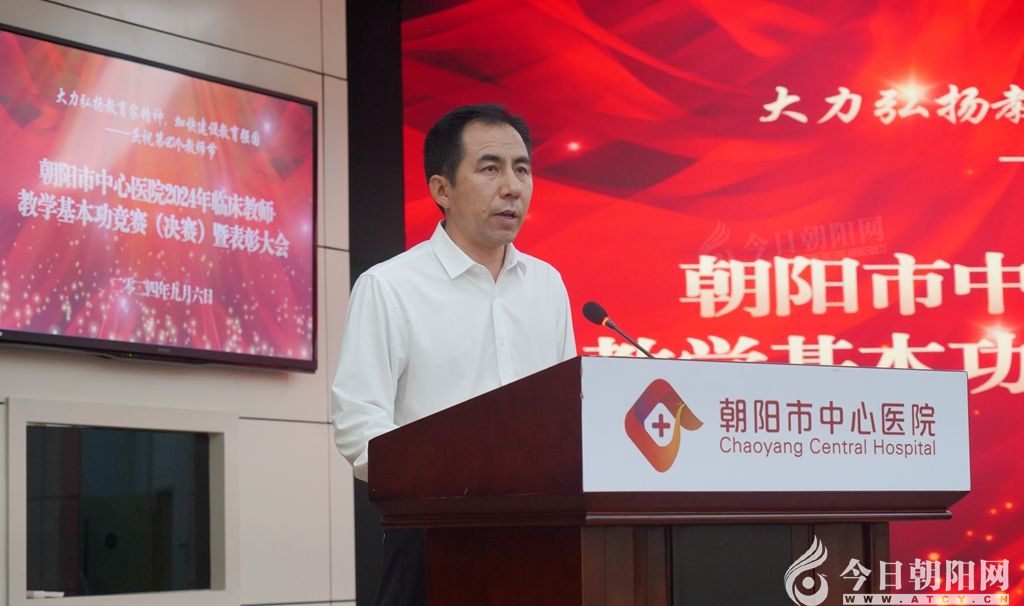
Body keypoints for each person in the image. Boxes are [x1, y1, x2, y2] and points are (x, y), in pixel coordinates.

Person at [330, 103, 576, 606]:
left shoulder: (547, 285)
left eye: (522, 169)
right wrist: (444, 478)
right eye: (490, 168)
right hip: (433, 534)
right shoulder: (390, 286)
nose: (512, 187)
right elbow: (358, 423)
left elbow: (567, 409)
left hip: (543, 533)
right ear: (442, 189)